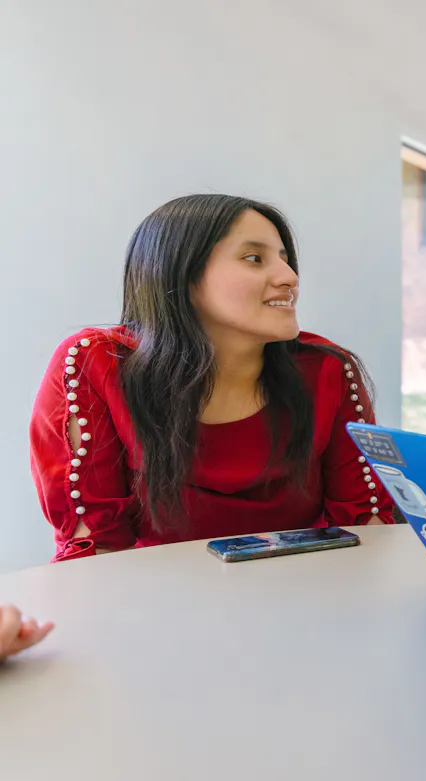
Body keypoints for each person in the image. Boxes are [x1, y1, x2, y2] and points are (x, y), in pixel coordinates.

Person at [30, 195, 396, 560]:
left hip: (312, 593)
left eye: (286, 260)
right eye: (254, 259)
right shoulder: (97, 363)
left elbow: (368, 527)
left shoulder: (328, 369)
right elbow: (96, 547)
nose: (290, 278)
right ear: (180, 274)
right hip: (154, 601)